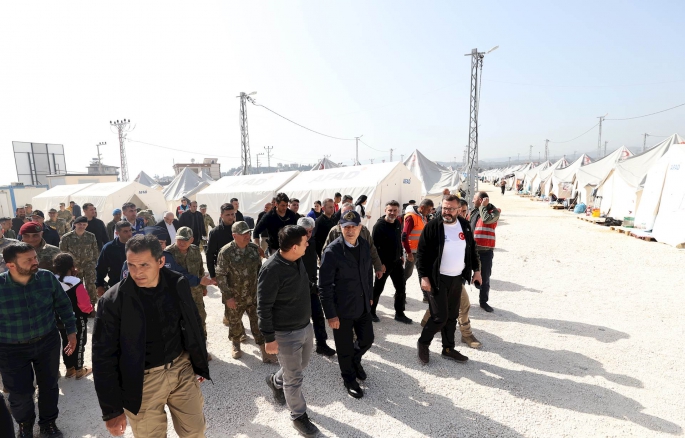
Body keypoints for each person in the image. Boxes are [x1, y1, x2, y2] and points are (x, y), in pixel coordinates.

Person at [92, 235, 210, 438]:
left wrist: (198, 362)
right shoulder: (112, 302)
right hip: (142, 383)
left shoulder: (177, 283)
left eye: (144, 264)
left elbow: (193, 324)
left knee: (196, 432)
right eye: (131, 265)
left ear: (161, 261)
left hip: (181, 369)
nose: (137, 272)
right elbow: (102, 357)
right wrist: (111, 411)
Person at [0, 242, 76, 438]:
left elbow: (64, 305)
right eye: (29, 260)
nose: (36, 262)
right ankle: (25, 426)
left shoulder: (46, 277)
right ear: (11, 265)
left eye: (35, 257)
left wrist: (71, 332)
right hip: (10, 348)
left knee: (49, 385)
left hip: (47, 342)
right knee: (20, 393)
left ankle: (48, 424)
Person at [258, 226, 320, 438]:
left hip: (304, 326)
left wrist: (314, 287)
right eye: (305, 242)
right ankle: (298, 416)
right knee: (294, 377)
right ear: (294, 247)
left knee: (301, 365)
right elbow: (263, 307)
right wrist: (269, 338)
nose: (308, 244)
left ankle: (275, 381)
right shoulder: (271, 270)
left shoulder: (297, 259)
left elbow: (300, 282)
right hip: (285, 334)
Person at [416, 195, 482, 365]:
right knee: (440, 316)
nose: (446, 212)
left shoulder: (465, 226)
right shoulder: (433, 226)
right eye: (444, 208)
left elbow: (472, 250)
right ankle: (423, 343)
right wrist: (424, 278)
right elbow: (421, 254)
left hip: (457, 278)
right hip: (436, 279)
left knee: (452, 315)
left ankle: (448, 348)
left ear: (459, 210)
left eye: (451, 209)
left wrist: (477, 271)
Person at [319, 211, 374, 399]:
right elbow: (324, 286)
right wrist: (330, 314)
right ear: (340, 228)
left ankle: (355, 360)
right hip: (341, 309)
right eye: (346, 227)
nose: (350, 230)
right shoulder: (332, 251)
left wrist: (370, 296)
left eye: (353, 226)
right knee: (344, 348)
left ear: (360, 227)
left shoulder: (365, 245)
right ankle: (349, 379)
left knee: (367, 339)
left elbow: (368, 273)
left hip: (362, 304)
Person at [215, 221, 277, 363]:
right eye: (243, 234)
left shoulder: (254, 249)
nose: (247, 236)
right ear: (234, 235)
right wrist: (228, 297)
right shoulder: (226, 252)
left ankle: (264, 350)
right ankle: (236, 344)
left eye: (248, 233)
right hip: (235, 296)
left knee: (258, 322)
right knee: (235, 322)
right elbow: (221, 276)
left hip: (253, 295)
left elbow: (260, 271)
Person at [166, 227, 211, 360]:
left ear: (191, 240)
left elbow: (200, 269)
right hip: (177, 295)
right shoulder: (168, 253)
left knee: (200, 319)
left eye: (185, 240)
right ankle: (182, 352)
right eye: (179, 239)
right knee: (179, 322)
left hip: (196, 293)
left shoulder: (195, 250)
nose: (181, 243)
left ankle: (202, 348)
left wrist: (203, 286)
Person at [297, 216, 336, 357]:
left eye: (310, 231)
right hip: (298, 290)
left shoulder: (312, 242)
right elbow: (296, 273)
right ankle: (298, 346)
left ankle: (321, 344)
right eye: (305, 231)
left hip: (312, 286)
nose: (308, 234)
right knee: (301, 320)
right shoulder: (293, 246)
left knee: (318, 316)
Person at [52, 252, 94, 380]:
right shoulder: (76, 283)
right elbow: (84, 304)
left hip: (59, 319)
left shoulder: (52, 281)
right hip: (77, 318)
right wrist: (89, 310)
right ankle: (79, 369)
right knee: (80, 341)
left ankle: (69, 369)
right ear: (72, 266)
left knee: (66, 341)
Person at [371, 201, 411, 324]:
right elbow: (374, 247)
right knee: (378, 289)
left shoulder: (398, 223)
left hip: (397, 262)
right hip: (383, 264)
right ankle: (371, 312)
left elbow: (398, 241)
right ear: (385, 211)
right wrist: (379, 265)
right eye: (390, 210)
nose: (392, 213)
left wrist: (401, 255)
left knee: (401, 288)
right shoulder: (379, 226)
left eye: (395, 210)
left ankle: (399, 313)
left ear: (398, 211)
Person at [323, 202, 384, 277]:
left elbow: (372, 249)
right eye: (344, 213)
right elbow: (326, 252)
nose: (347, 215)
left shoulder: (363, 230)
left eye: (350, 213)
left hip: (361, 271)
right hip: (341, 273)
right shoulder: (334, 231)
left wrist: (378, 267)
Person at [60, 216, 100, 308]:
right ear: (74, 224)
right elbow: (62, 253)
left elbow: (95, 251)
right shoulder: (67, 237)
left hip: (89, 266)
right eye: (79, 224)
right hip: (74, 267)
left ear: (87, 225)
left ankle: (91, 306)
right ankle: (77, 307)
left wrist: (94, 263)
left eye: (84, 224)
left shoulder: (91, 236)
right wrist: (68, 267)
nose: (81, 226)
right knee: (76, 287)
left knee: (91, 286)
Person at [470, 191, 500, 312]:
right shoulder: (474, 212)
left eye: (474, 198)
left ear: (482, 200)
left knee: (485, 277)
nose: (472, 201)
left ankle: (483, 302)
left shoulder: (494, 212)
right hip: (471, 250)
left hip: (485, 251)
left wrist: (483, 206)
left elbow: (487, 220)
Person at [403, 198, 434, 293]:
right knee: (406, 274)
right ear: (422, 207)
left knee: (423, 273)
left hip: (420, 252)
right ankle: (399, 293)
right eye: (428, 209)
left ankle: (426, 296)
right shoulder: (411, 217)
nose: (429, 212)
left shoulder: (421, 216)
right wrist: (409, 253)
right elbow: (404, 236)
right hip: (412, 252)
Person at [96, 221, 133, 298]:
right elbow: (101, 268)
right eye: (125, 231)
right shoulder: (109, 248)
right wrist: (99, 285)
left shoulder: (138, 246)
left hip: (135, 283)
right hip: (116, 285)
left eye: (130, 230)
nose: (129, 234)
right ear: (117, 233)